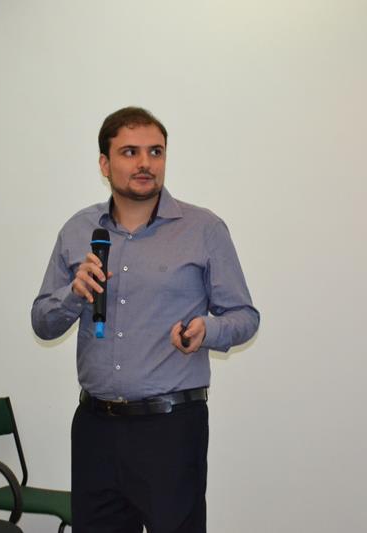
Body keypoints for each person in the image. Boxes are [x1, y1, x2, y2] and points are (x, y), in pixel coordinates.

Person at [31, 106, 259, 533]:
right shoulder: (78, 230)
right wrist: (72, 294)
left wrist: (207, 330)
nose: (145, 163)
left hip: (170, 430)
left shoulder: (203, 229)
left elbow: (245, 316)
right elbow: (43, 322)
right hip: (95, 429)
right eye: (130, 152)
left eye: (155, 152)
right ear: (105, 164)